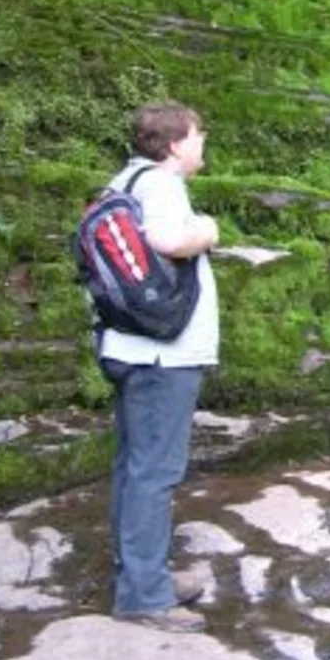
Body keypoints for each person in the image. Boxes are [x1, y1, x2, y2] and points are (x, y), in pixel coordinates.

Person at [98, 102, 221, 633]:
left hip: (129, 348)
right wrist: (208, 230)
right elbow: (169, 241)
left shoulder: (124, 182)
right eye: (197, 135)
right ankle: (144, 597)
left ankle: (140, 576)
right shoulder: (163, 185)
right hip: (161, 357)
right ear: (173, 144)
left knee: (134, 467)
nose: (202, 142)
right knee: (154, 473)